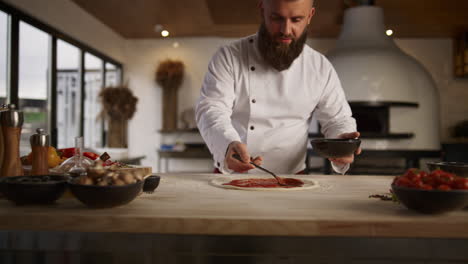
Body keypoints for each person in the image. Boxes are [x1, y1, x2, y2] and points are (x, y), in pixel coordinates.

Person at [195, 0, 361, 175]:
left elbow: (337, 119)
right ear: (262, 10)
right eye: (276, 18)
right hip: (232, 174)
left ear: (310, 16)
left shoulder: (320, 67)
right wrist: (227, 144)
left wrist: (342, 142)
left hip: (292, 178)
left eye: (296, 19)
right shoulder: (229, 57)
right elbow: (211, 109)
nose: (285, 30)